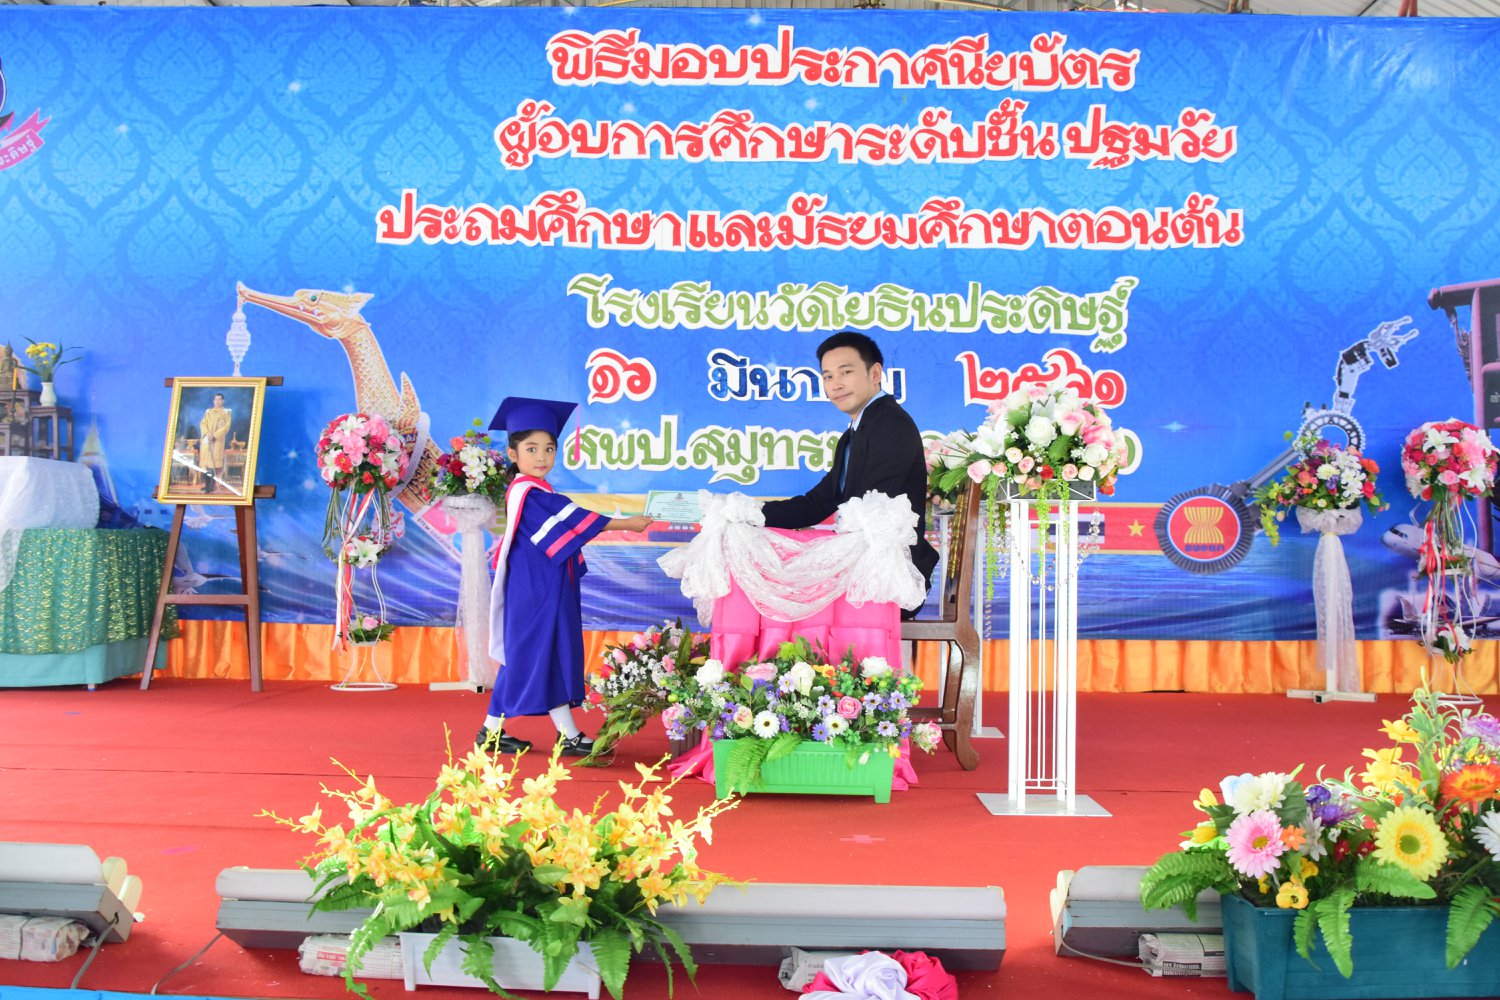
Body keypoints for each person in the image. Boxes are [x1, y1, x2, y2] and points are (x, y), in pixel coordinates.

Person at [478, 396, 653, 755]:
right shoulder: (528, 492)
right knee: (538, 653)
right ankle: (563, 735)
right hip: (537, 590)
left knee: (530, 653)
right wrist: (625, 523)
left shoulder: (536, 489)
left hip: (543, 584)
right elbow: (571, 518)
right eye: (531, 449)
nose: (542, 457)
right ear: (512, 454)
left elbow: (564, 521)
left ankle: (494, 732)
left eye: (549, 448)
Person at [761, 332, 939, 607]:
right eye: (828, 376)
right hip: (862, 567)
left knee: (781, 595)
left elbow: (871, 514)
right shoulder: (855, 433)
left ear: (875, 373)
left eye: (846, 372)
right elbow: (819, 503)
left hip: (888, 578)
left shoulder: (891, 425)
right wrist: (750, 514)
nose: (836, 384)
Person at [198, 393, 232, 493]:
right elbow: (203, 424)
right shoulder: (208, 412)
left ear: (223, 401)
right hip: (207, 440)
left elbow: (226, 427)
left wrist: (215, 435)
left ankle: (211, 486)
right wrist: (207, 433)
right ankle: (207, 485)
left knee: (212, 465)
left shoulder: (226, 413)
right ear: (213, 401)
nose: (217, 401)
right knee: (206, 465)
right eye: (215, 399)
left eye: (219, 399)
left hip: (217, 441)